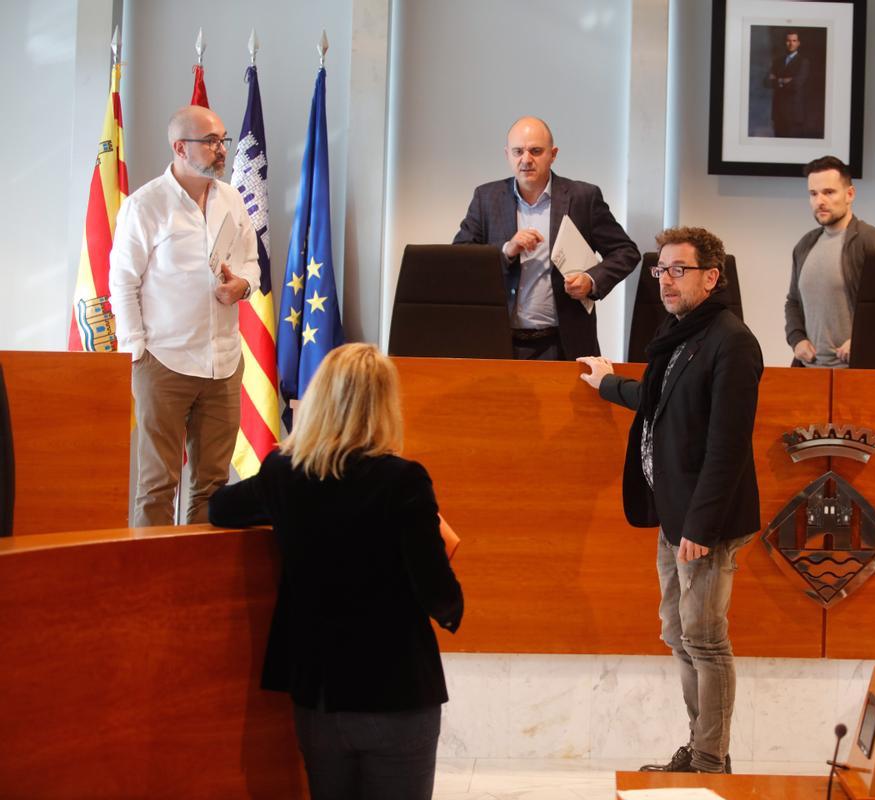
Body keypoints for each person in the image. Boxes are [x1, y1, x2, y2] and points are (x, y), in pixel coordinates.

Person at [209, 343, 463, 800]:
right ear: (384, 405)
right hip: (395, 690)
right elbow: (437, 593)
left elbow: (222, 509)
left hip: (319, 692)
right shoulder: (403, 479)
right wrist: (452, 604)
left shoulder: (283, 473)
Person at [577, 227, 763, 774]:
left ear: (712, 277)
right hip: (673, 513)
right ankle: (701, 748)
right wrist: (609, 384)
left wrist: (700, 530)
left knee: (705, 640)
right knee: (679, 633)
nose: (666, 280)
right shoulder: (679, 333)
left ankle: (710, 760)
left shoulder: (732, 342)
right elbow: (658, 400)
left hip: (706, 524)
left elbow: (728, 446)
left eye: (680, 270)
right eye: (661, 270)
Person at [109, 105, 259, 527]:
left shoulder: (231, 199)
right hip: (164, 361)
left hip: (223, 362)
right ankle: (151, 570)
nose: (221, 149)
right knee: (158, 484)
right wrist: (137, 353)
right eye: (210, 142)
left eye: (223, 140)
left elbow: (251, 263)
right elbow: (122, 282)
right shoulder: (146, 205)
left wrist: (242, 286)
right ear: (179, 148)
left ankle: (197, 569)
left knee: (213, 485)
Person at [453, 116, 640, 360]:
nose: (526, 159)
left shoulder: (583, 198)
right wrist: (506, 250)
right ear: (507, 155)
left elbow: (625, 251)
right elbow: (460, 258)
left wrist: (591, 280)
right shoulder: (486, 197)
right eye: (518, 151)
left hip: (563, 343)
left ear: (553, 154)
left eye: (536, 151)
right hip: (500, 342)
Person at [784, 155, 875, 368]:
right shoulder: (805, 245)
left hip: (857, 372)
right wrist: (797, 339)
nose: (820, 201)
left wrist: (863, 340)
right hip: (808, 372)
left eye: (829, 192)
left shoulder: (874, 243)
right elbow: (793, 301)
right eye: (813, 194)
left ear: (849, 194)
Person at [763, 31, 810, 138]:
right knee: (777, 143)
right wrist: (783, 80)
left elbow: (796, 84)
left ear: (798, 43)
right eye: (788, 41)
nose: (791, 43)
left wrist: (776, 80)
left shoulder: (803, 62)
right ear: (784, 42)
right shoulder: (777, 62)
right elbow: (766, 82)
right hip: (778, 113)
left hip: (794, 114)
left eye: (794, 41)